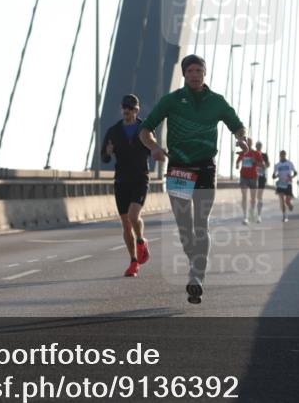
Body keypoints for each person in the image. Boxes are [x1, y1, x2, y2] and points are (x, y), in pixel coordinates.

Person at [139, 54, 249, 305]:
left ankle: (196, 276)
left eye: (199, 70)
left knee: (201, 223)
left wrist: (241, 139)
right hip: (179, 169)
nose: (195, 75)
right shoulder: (171, 100)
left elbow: (238, 126)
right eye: (190, 71)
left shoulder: (217, 102)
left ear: (205, 73)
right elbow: (145, 130)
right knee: (184, 227)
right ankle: (195, 262)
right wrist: (154, 147)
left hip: (205, 168)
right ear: (184, 74)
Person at [101, 94, 152, 277]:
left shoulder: (144, 129)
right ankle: (133, 262)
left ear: (136, 110)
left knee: (133, 215)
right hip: (121, 180)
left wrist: (157, 151)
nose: (126, 110)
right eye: (124, 107)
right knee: (125, 223)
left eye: (130, 108)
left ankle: (141, 240)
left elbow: (152, 147)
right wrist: (108, 153)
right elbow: (104, 158)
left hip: (140, 178)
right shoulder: (113, 131)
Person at [236, 138, 264, 224]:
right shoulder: (243, 153)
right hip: (243, 177)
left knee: (253, 198)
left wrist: (255, 161)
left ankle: (252, 214)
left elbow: (262, 165)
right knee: (244, 196)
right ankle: (245, 217)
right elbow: (238, 161)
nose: (248, 144)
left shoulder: (256, 153)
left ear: (252, 144)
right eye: (246, 143)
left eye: (249, 143)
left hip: (253, 177)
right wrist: (237, 165)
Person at [273, 150, 297, 222]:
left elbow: (295, 172)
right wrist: (276, 175)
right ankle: (284, 216)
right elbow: (273, 176)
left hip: (288, 184)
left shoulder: (289, 164)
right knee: (282, 201)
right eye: (281, 154)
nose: (282, 156)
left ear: (285, 155)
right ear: (280, 155)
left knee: (287, 201)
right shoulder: (277, 165)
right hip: (280, 184)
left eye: (283, 154)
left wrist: (291, 177)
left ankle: (289, 205)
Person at [255, 141, 271, 222]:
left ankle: (259, 215)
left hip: (261, 177)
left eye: (259, 146)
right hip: (253, 177)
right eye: (257, 146)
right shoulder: (253, 154)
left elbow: (268, 164)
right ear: (255, 146)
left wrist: (264, 165)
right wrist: (259, 164)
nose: (258, 147)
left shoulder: (264, 155)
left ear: (261, 147)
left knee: (259, 196)